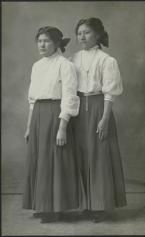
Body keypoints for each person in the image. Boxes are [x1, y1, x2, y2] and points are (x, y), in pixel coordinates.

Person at [71, 17, 127, 222]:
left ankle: (101, 206)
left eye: (86, 32)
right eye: (79, 33)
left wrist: (104, 119)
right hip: (78, 109)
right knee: (82, 155)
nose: (82, 36)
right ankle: (87, 203)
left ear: (97, 35)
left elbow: (109, 93)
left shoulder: (107, 60)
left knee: (99, 156)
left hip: (98, 108)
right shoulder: (73, 59)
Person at [22, 26, 80, 223]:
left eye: (46, 41)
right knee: (40, 160)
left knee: (54, 161)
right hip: (38, 114)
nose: (42, 45)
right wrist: (30, 126)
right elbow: (32, 100)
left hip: (56, 114)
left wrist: (62, 127)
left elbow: (70, 97)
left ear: (57, 43)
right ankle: (43, 205)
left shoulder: (65, 65)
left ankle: (56, 208)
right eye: (39, 41)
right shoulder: (37, 66)